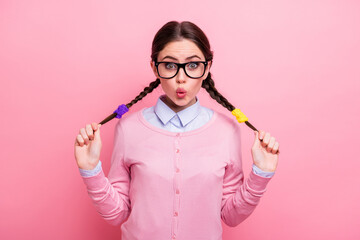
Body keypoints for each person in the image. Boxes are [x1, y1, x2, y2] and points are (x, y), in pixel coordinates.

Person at [74, 21, 280, 240]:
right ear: (155, 67)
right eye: (170, 65)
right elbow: (117, 214)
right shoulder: (128, 129)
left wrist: (260, 174)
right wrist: (91, 170)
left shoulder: (227, 130)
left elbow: (231, 216)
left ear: (207, 67)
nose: (181, 78)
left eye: (192, 65)